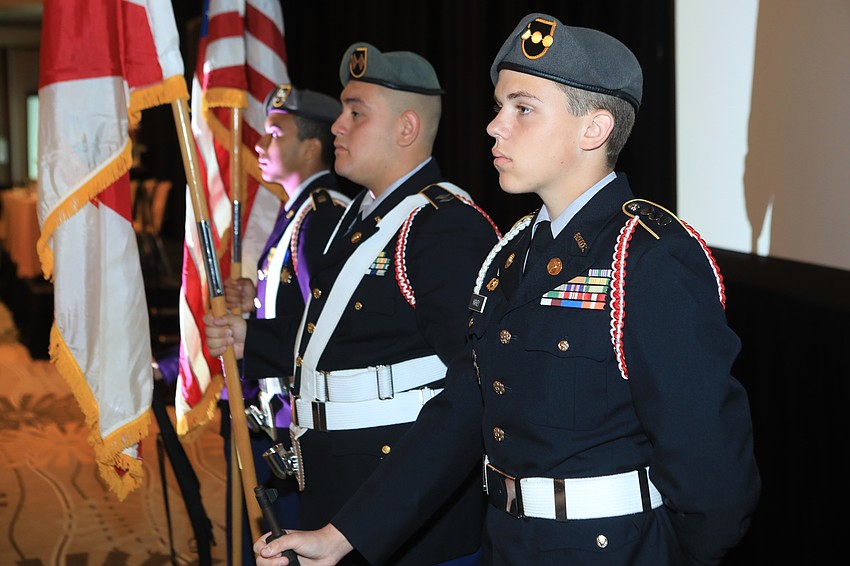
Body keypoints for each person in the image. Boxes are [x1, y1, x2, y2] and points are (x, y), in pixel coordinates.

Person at [254, 13, 761, 566]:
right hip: (507, 544)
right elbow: (458, 416)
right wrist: (341, 535)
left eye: (523, 109)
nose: (494, 126)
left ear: (593, 130)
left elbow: (711, 471)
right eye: (499, 107)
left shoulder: (649, 257)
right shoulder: (511, 255)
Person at [255, 42, 501, 565]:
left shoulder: (443, 226)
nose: (337, 126)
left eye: (355, 112)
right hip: (342, 498)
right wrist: (245, 338)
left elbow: (474, 393)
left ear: (406, 128)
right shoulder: (362, 218)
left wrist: (354, 530)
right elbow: (334, 345)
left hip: (404, 525)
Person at [204, 84, 351, 564]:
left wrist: (251, 333)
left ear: (310, 147)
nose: (261, 146)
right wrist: (255, 301)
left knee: (286, 547)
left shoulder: (323, 214)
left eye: (274, 134)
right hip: (278, 417)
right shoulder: (300, 210)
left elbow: (324, 327)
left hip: (298, 424)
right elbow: (297, 304)